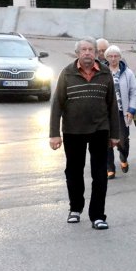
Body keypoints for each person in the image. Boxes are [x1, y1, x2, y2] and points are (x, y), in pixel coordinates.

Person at [49, 38, 120, 230]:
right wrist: (54, 133)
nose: (87, 52)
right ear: (77, 53)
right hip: (73, 130)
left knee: (100, 174)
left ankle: (98, 215)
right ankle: (75, 208)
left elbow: (112, 104)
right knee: (73, 171)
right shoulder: (67, 73)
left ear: (96, 53)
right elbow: (57, 104)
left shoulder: (105, 73)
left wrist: (115, 133)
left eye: (91, 49)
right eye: (84, 50)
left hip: (100, 129)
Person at [103, 45, 136, 179]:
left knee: (123, 140)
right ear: (106, 58)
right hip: (105, 113)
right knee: (106, 141)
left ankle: (123, 157)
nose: (113, 59)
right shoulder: (101, 72)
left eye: (116, 56)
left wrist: (131, 110)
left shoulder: (127, 73)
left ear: (120, 57)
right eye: (110, 56)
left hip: (121, 112)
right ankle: (110, 168)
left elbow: (135, 92)